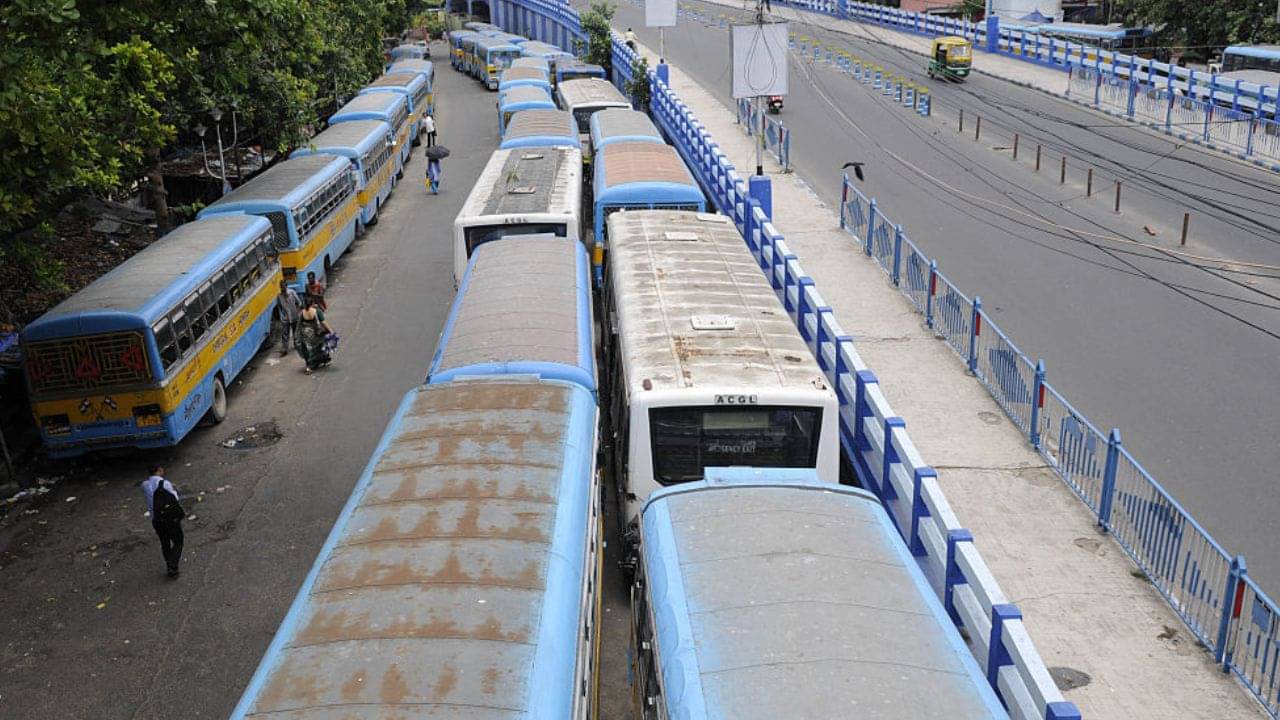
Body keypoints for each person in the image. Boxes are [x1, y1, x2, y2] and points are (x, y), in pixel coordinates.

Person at [142, 465, 184, 578]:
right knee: (178, 541)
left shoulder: (145, 485)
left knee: (164, 542)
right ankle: (173, 565)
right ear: (159, 470)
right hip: (169, 518)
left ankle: (169, 565)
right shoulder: (165, 483)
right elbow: (174, 499)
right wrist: (173, 489)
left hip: (156, 519)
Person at [296, 297, 334, 374]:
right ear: (312, 303)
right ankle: (325, 360)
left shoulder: (302, 313)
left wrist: (298, 337)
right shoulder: (317, 311)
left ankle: (309, 366)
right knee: (322, 345)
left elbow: (299, 325)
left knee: (309, 351)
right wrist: (330, 330)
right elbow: (323, 322)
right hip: (316, 334)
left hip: (306, 335)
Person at [275, 279, 302, 356]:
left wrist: (298, 312)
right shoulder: (279, 296)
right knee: (285, 334)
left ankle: (296, 344)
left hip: (294, 316)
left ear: (286, 286)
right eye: (281, 287)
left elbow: (299, 303)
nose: (282, 288)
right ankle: (285, 348)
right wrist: (282, 316)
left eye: (283, 286)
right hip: (285, 318)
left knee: (295, 332)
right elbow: (280, 307)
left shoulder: (292, 292)